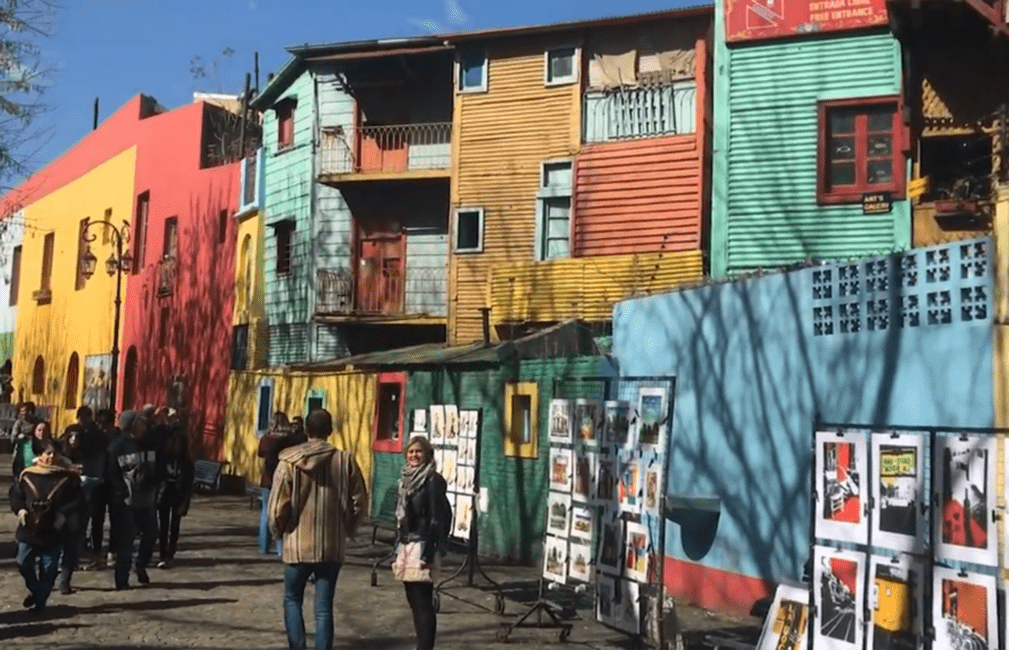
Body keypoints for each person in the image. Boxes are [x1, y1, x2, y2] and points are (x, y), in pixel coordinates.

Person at [268, 408, 367, 650]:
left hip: (297, 544)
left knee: (292, 600)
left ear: (305, 430)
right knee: (324, 608)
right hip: (331, 544)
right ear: (330, 431)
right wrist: (348, 528)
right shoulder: (345, 461)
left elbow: (276, 506)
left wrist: (279, 530)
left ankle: (297, 646)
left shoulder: (289, 462)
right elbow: (361, 501)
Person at [9, 438, 85, 613]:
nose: (51, 457)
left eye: (54, 453)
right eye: (47, 453)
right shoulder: (28, 475)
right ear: (40, 455)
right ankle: (36, 590)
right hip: (29, 528)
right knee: (23, 561)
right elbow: (17, 495)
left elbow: (78, 501)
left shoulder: (67, 478)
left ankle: (40, 604)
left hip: (54, 529)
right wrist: (20, 510)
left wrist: (63, 514)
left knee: (50, 567)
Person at [394, 436, 452, 650]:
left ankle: (425, 647)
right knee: (412, 598)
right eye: (411, 452)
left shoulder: (432, 480)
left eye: (419, 452)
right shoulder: (405, 480)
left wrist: (429, 551)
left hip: (423, 544)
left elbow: (439, 517)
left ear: (428, 455)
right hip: (408, 542)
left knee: (422, 600)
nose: (414, 456)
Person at [107, 410, 162, 589]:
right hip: (127, 502)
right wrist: (120, 493)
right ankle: (121, 579)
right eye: (139, 423)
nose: (143, 426)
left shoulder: (150, 442)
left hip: (147, 499)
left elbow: (160, 459)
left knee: (152, 535)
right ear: (130, 426)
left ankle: (141, 565)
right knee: (126, 542)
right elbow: (111, 475)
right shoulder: (117, 447)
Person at [157, 424, 193, 568]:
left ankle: (170, 553)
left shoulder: (187, 462)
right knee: (163, 526)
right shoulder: (164, 458)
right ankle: (162, 555)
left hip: (178, 495)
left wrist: (185, 502)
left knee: (174, 526)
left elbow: (188, 484)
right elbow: (158, 476)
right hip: (165, 494)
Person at [257, 411, 291, 555]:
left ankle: (264, 546)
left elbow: (260, 456)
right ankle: (280, 549)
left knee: (266, 512)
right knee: (282, 513)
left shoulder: (266, 439)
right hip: (284, 480)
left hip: (268, 480)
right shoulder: (289, 440)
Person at [95, 408, 119, 567]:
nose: (103, 427)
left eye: (105, 424)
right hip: (98, 482)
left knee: (116, 520)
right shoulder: (95, 437)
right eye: (100, 424)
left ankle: (112, 551)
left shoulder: (119, 438)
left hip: (116, 484)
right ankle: (96, 552)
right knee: (96, 520)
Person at [11, 402, 38, 477]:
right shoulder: (19, 423)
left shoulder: (36, 422)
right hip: (21, 447)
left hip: (34, 447)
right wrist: (18, 437)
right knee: (18, 466)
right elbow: (13, 437)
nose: (24, 413)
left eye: (26, 411)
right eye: (22, 411)